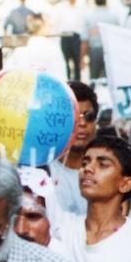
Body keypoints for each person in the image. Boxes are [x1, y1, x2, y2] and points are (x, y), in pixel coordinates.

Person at [48, 81, 100, 217]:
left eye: (89, 117)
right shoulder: (42, 170)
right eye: (74, 117)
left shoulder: (106, 172)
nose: (82, 124)